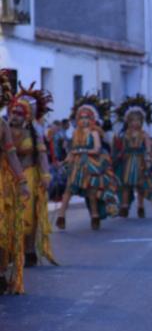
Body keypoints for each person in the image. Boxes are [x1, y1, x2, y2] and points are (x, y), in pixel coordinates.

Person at [7, 84, 58, 269]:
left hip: (29, 175)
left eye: (20, 113)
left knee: (28, 215)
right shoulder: (5, 130)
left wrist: (45, 175)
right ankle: (11, 250)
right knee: (8, 214)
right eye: (14, 111)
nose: (15, 116)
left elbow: (43, 156)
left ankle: (29, 250)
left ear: (27, 115)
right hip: (7, 177)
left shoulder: (35, 134)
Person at [55, 95, 119, 230]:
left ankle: (95, 216)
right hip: (77, 165)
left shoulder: (94, 132)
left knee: (91, 191)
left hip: (91, 164)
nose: (84, 121)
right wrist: (64, 161)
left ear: (92, 119)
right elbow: (72, 150)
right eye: (81, 118)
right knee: (68, 189)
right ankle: (61, 216)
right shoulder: (75, 133)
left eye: (87, 118)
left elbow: (96, 149)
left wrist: (81, 151)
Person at [0, 71, 31, 294]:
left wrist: (22, 181)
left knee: (2, 228)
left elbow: (11, 155)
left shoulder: (2, 125)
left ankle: (1, 272)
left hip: (2, 183)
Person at [113, 95, 152, 218]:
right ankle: (125, 206)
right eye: (132, 120)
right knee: (125, 184)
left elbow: (148, 148)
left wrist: (148, 159)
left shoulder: (144, 134)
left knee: (140, 185)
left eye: (138, 120)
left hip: (139, 160)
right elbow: (121, 147)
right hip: (127, 161)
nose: (135, 123)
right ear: (128, 121)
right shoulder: (124, 134)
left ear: (142, 121)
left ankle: (140, 206)